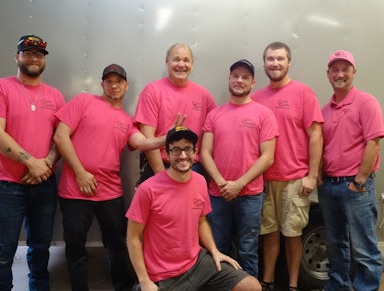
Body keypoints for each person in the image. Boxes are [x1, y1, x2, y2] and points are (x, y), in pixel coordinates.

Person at [53, 64, 184, 291]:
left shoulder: (126, 119)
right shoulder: (84, 102)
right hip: (75, 190)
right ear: (102, 83)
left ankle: (122, 287)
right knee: (75, 246)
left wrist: (168, 137)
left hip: (110, 192)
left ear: (126, 86)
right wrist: (80, 173)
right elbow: (60, 136)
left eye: (119, 81)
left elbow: (142, 143)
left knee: (118, 244)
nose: (114, 85)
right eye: (109, 81)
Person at [126, 125, 262, 291]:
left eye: (187, 149)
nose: (182, 155)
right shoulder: (147, 189)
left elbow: (201, 221)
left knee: (251, 286)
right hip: (163, 274)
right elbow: (132, 237)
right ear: (167, 154)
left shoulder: (199, 181)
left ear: (195, 152)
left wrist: (214, 251)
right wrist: (144, 280)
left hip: (197, 263)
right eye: (176, 150)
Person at [251, 42, 324, 291]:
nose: (275, 63)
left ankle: (293, 286)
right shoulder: (257, 98)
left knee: (292, 235)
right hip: (265, 179)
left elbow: (316, 135)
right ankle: (268, 282)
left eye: (280, 59)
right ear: (264, 64)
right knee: (269, 234)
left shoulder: (304, 93)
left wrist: (312, 176)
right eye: (270, 59)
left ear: (289, 62)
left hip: (295, 179)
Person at [201, 59, 278, 278]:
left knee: (248, 250)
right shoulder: (215, 114)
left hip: (250, 196)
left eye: (245, 77)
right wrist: (221, 183)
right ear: (229, 79)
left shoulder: (264, 114)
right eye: (235, 76)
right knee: (218, 249)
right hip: (218, 194)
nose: (239, 80)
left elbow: (268, 157)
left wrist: (239, 184)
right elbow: (205, 152)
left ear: (253, 82)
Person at [0, 35, 65, 291]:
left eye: (39, 54)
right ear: (17, 57)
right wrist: (31, 163)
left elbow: (62, 137)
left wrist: (46, 164)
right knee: (4, 250)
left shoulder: (56, 96)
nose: (34, 58)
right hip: (8, 186)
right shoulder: (3, 88)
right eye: (27, 53)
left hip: (44, 186)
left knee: (41, 249)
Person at [317, 50, 384, 291]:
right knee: (335, 243)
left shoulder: (366, 102)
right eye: (335, 69)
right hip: (329, 186)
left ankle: (367, 288)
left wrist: (359, 181)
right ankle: (338, 285)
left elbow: (374, 143)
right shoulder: (325, 111)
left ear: (354, 72)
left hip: (355, 187)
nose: (340, 74)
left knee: (363, 247)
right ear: (328, 74)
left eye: (345, 69)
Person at [133, 43, 216, 184]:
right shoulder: (152, 91)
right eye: (176, 59)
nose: (181, 64)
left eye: (186, 60)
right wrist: (162, 177)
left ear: (192, 64)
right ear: (167, 62)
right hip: (160, 167)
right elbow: (148, 137)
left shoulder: (204, 95)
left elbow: (214, 133)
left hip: (193, 168)